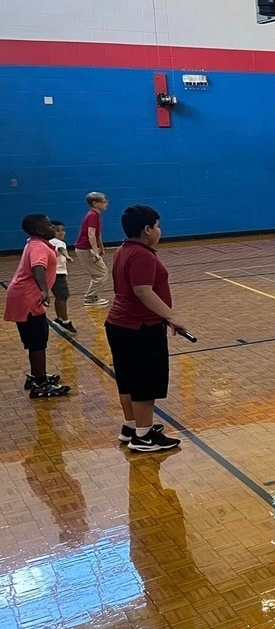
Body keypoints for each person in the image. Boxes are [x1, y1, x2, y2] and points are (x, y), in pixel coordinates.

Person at [106, 205, 186, 452]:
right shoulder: (142, 255)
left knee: (128, 380)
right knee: (144, 382)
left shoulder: (124, 249)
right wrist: (171, 316)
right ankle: (143, 437)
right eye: (158, 225)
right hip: (140, 327)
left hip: (119, 324)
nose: (159, 230)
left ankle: (131, 427)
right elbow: (143, 290)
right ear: (147, 229)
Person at [5, 214, 71, 399]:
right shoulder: (38, 246)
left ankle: (37, 376)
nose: (53, 227)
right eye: (49, 225)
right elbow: (38, 268)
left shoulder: (36, 243)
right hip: (27, 298)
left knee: (37, 340)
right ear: (40, 231)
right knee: (37, 341)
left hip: (24, 296)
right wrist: (44, 291)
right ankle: (40, 384)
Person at [75, 191, 109, 306]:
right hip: (85, 249)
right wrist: (95, 253)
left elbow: (97, 234)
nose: (106, 204)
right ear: (95, 203)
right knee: (101, 274)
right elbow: (91, 234)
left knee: (100, 273)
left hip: (87, 249)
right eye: (103, 202)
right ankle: (90, 297)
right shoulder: (92, 215)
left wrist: (101, 247)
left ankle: (92, 296)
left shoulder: (95, 215)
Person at [48, 220, 76, 334]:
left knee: (59, 297)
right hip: (58, 273)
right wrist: (67, 256)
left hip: (54, 273)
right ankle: (65, 321)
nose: (61, 233)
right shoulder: (57, 242)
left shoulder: (50, 242)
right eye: (57, 230)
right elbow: (61, 249)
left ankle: (59, 318)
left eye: (63, 230)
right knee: (63, 297)